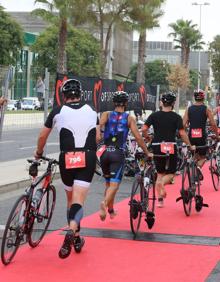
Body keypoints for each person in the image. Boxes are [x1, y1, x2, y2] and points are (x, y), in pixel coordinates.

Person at [35, 79, 100, 259]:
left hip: (67, 157)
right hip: (87, 155)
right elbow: (97, 135)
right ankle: (73, 232)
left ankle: (75, 235)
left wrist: (38, 153)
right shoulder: (92, 111)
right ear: (80, 94)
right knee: (79, 200)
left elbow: (42, 135)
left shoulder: (58, 111)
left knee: (70, 199)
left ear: (64, 96)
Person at [99, 91, 153, 221]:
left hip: (105, 153)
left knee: (108, 184)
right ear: (126, 104)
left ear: (113, 103)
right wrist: (147, 152)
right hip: (118, 153)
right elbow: (138, 137)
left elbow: (98, 130)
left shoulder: (106, 114)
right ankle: (104, 204)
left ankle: (111, 211)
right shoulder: (129, 118)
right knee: (114, 185)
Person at [142, 92, 195, 208]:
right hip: (170, 146)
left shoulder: (154, 115)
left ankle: (160, 200)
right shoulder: (176, 117)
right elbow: (182, 133)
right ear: (173, 103)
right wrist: (190, 145)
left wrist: (147, 137)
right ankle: (161, 185)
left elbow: (144, 128)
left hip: (156, 145)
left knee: (160, 173)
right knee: (170, 174)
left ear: (161, 102)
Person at [183, 89, 219, 180]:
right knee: (203, 157)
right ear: (203, 97)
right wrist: (217, 135)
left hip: (191, 135)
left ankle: (194, 168)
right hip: (202, 135)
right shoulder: (206, 109)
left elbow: (183, 124)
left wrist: (185, 129)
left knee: (194, 153)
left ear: (195, 97)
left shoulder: (189, 109)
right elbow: (213, 124)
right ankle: (198, 167)